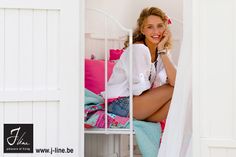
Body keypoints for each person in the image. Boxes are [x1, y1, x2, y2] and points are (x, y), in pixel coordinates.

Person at [102, 7, 176, 123]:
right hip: (120, 102)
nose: (156, 31)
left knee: (176, 99)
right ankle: (148, 118)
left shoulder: (162, 52)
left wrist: (162, 50)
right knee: (176, 91)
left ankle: (147, 119)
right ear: (142, 30)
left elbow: (175, 81)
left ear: (165, 28)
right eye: (150, 27)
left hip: (137, 101)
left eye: (160, 26)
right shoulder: (138, 49)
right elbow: (139, 91)